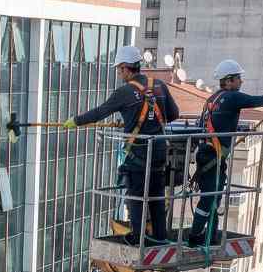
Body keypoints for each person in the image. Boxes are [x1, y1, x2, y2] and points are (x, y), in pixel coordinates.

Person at [64, 44, 179, 245]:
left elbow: (100, 113)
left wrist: (75, 120)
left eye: (119, 69)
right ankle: (160, 236)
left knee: (135, 194)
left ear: (126, 67)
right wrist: (137, 120)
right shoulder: (159, 85)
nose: (119, 73)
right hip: (160, 152)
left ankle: (137, 235)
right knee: (156, 195)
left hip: (140, 154)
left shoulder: (125, 92)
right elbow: (174, 114)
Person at [187, 60, 263, 247]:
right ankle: (195, 236)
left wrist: (234, 129)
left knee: (214, 198)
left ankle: (211, 235)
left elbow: (214, 122)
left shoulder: (213, 99)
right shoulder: (233, 97)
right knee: (208, 200)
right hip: (213, 157)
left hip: (207, 153)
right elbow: (260, 100)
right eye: (239, 78)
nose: (241, 82)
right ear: (229, 80)